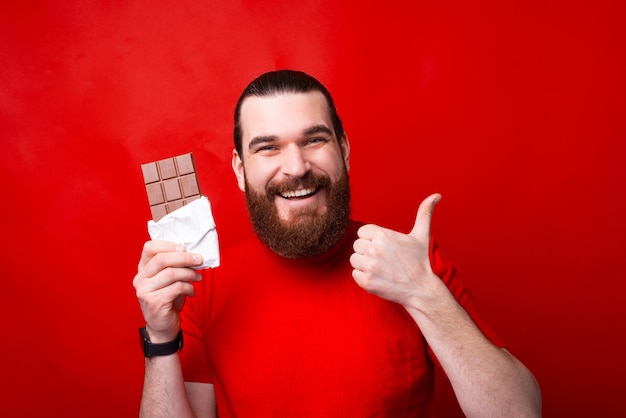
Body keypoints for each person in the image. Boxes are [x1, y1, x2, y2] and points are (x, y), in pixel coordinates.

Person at [133, 69, 542, 417]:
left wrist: (424, 294)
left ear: (343, 150)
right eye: (268, 147)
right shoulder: (202, 285)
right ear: (240, 169)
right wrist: (161, 334)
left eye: (314, 140)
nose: (295, 167)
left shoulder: (411, 263)